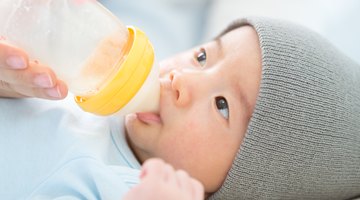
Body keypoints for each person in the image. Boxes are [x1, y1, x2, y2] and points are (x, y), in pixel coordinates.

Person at [1, 17, 360, 200]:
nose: (182, 79)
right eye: (203, 57)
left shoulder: (138, 188)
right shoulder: (89, 99)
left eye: (222, 106)